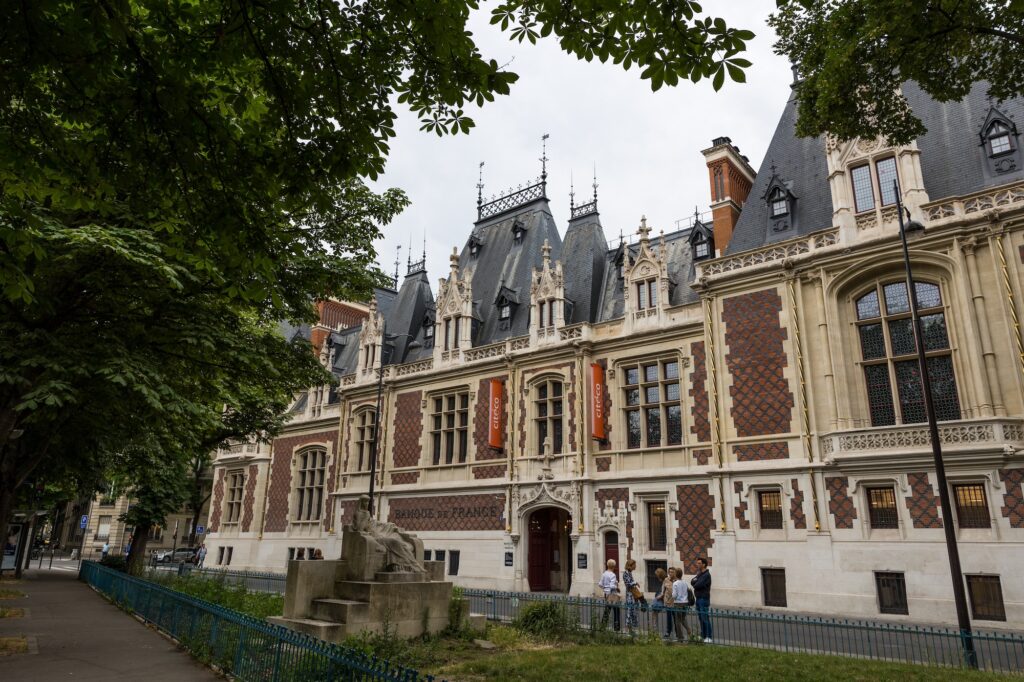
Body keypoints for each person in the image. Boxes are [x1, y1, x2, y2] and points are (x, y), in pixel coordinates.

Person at [691, 557, 713, 643]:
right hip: (698, 598)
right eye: (697, 563)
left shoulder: (706, 575)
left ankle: (709, 636)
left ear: (704, 564)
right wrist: (696, 581)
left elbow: (697, 585)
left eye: (699, 563)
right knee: (700, 618)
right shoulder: (699, 574)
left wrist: (696, 582)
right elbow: (692, 581)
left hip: (704, 598)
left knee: (705, 618)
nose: (697, 564)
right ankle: (703, 635)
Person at [672, 567, 694, 642]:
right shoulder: (685, 582)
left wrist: (673, 596)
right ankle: (689, 631)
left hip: (678, 603)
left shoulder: (675, 583)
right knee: (683, 618)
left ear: (675, 574)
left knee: (677, 621)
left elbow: (674, 595)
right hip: (685, 603)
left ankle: (680, 637)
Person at [598, 558, 621, 631]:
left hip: (606, 594)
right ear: (614, 566)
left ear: (607, 565)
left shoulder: (604, 574)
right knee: (616, 611)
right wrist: (616, 586)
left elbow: (600, 584)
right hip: (612, 594)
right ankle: (616, 628)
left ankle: (603, 626)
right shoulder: (612, 575)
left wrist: (605, 588)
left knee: (607, 610)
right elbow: (612, 586)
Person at [622, 559, 642, 632]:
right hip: (630, 594)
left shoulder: (629, 573)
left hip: (632, 594)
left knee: (633, 611)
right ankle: (627, 628)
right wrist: (635, 583)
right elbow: (627, 584)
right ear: (631, 565)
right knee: (629, 610)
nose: (635, 566)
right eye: (634, 565)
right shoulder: (626, 573)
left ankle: (630, 629)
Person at [653, 567, 673, 639]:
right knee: (655, 612)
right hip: (664, 600)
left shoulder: (666, 580)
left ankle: (657, 631)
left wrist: (658, 597)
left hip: (667, 601)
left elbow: (666, 592)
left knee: (671, 616)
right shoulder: (665, 579)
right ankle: (655, 630)